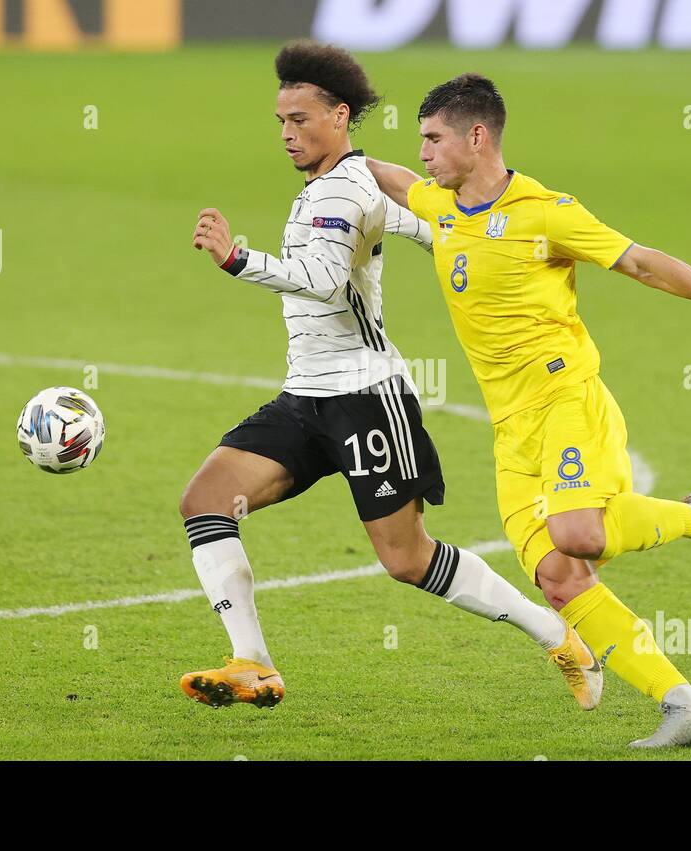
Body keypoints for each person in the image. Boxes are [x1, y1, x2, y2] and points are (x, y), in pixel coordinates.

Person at [366, 73, 691, 747]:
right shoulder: (442, 204)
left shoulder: (546, 212)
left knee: (578, 535)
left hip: (566, 396)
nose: (423, 152)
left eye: (434, 138)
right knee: (557, 575)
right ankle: (686, 703)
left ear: (476, 136)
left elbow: (643, 263)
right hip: (510, 428)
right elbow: (395, 180)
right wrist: (331, 145)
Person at [180, 44, 602, 712]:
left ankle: (557, 634)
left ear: (340, 114)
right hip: (305, 396)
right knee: (205, 500)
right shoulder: (342, 184)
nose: (287, 133)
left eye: (300, 118)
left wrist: (237, 258)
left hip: (366, 399)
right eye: (280, 120)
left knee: (407, 560)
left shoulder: (346, 187)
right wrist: (459, 232)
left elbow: (321, 281)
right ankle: (252, 662)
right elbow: (432, 227)